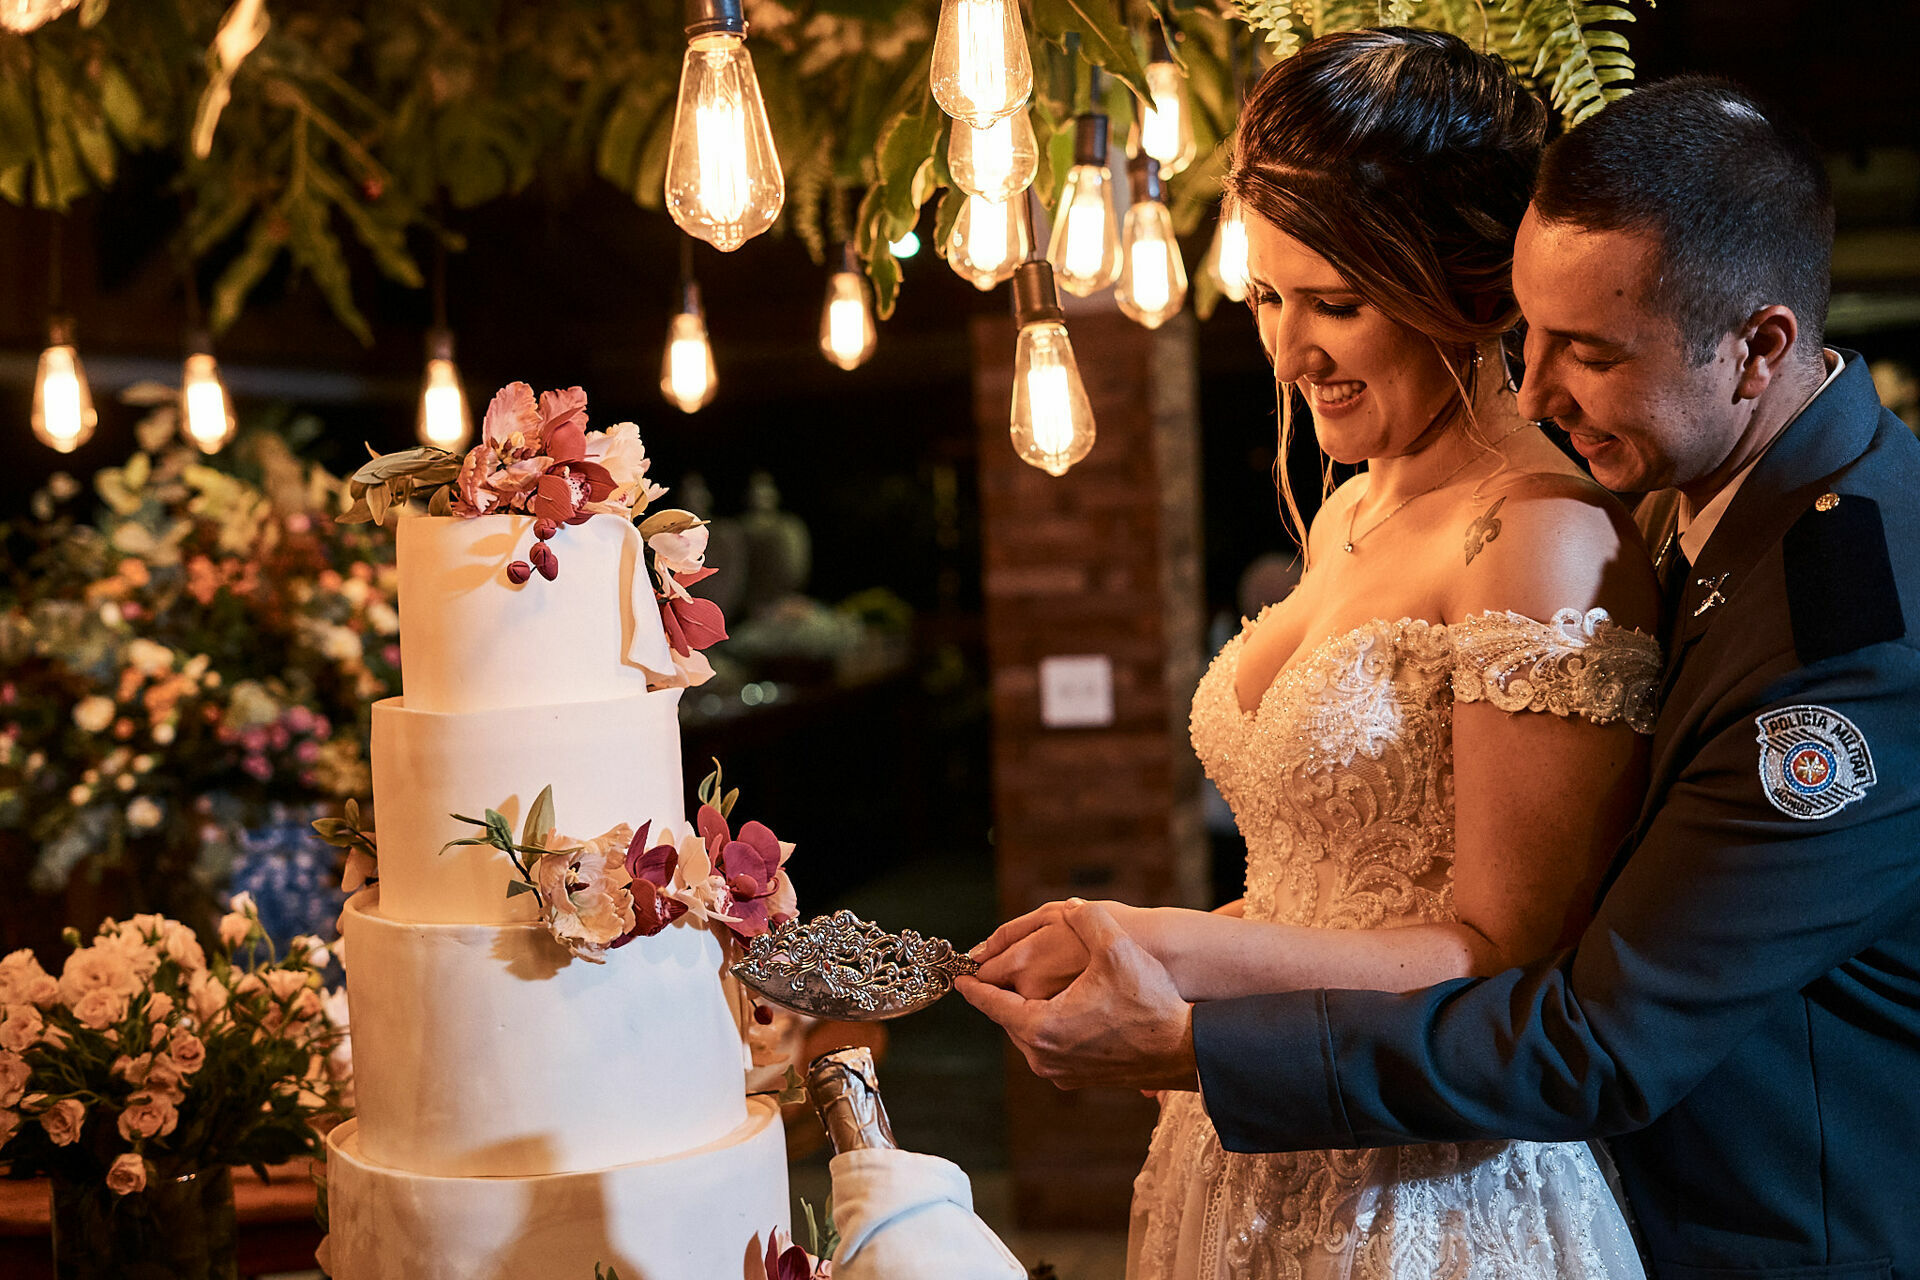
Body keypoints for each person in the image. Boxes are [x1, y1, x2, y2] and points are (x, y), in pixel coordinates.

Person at [960, 69, 1920, 1280]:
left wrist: (1194, 1026)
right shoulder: (1696, 502)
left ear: (1758, 348)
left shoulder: (1852, 630)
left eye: (1586, 350)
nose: (1527, 387)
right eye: (1528, 332)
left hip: (1758, 1232)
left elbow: (1591, 1030)